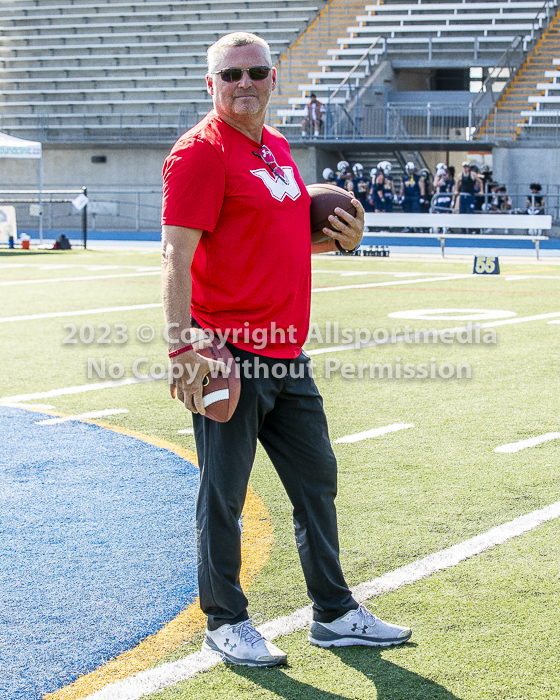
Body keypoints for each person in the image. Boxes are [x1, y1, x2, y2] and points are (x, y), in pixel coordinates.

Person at [161, 31, 411, 668]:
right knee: (224, 493)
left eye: (257, 72)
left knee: (316, 481)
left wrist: (341, 240)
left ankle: (333, 614)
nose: (244, 83)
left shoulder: (275, 147)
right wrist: (181, 347)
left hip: (287, 354)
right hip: (229, 354)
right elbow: (176, 257)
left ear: (275, 80)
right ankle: (225, 620)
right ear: (210, 84)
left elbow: (277, 240)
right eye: (231, 74)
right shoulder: (198, 154)